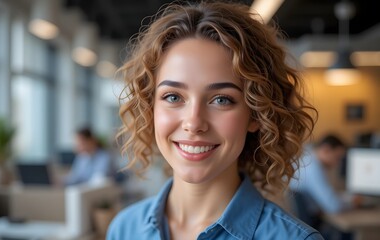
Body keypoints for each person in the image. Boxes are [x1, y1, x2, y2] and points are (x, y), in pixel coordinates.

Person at [108, 2, 321, 240]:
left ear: (257, 114)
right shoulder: (124, 229)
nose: (194, 122)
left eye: (221, 100)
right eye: (173, 97)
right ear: (151, 109)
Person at [289, 135, 361, 227]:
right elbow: (333, 206)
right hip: (311, 224)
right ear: (326, 149)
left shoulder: (308, 158)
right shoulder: (312, 168)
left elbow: (329, 195)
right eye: (337, 157)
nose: (337, 163)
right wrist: (353, 203)